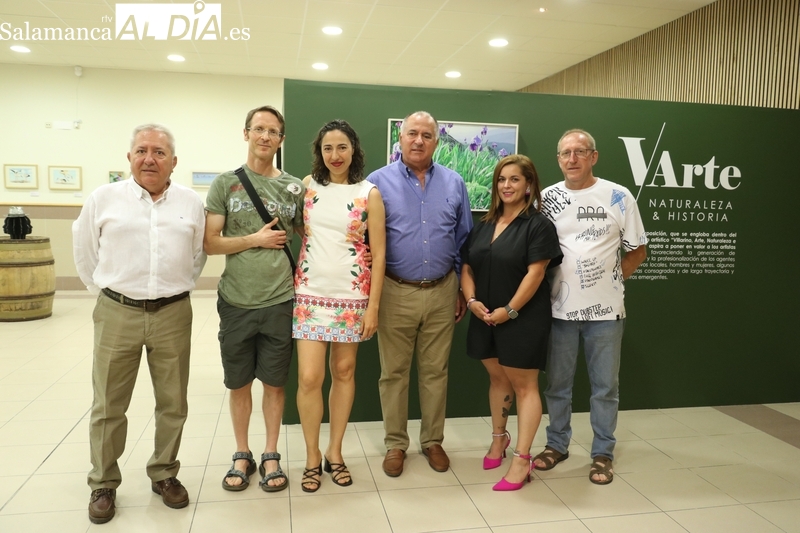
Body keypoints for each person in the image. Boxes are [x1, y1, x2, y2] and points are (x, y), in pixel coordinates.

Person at [73, 123, 206, 524]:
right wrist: (111, 295)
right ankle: (103, 482)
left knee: (173, 402)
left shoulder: (190, 202)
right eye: (142, 151)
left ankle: (164, 474)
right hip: (117, 312)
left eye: (160, 152)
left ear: (174, 162)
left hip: (173, 313)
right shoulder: (103, 199)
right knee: (109, 405)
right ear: (129, 157)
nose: (150, 158)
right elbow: (85, 255)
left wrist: (172, 288)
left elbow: (197, 256)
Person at [535, 128, 647, 485]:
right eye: (566, 153)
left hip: (606, 315)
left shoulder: (618, 196)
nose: (572, 159)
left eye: (580, 152)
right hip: (557, 312)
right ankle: (557, 445)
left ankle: (602, 453)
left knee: (605, 387)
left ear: (593, 156)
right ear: (558, 159)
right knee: (557, 385)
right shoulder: (546, 198)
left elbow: (638, 250)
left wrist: (610, 281)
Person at [204, 105, 305, 493]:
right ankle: (242, 453)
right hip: (236, 301)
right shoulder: (225, 184)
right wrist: (255, 239)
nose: (265, 137)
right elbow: (210, 243)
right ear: (246, 133)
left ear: (281, 140)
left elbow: (309, 234)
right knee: (239, 383)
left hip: (280, 301)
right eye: (258, 129)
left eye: (273, 131)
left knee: (275, 384)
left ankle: (270, 453)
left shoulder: (293, 187)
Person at [367, 111, 473, 477]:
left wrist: (460, 286)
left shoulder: (455, 182)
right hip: (396, 291)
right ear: (400, 137)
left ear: (436, 142)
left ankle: (432, 441)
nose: (418, 141)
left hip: (443, 291)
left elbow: (463, 240)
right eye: (412, 133)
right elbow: (365, 243)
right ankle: (396, 444)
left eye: (427, 135)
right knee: (393, 374)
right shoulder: (376, 183)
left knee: (435, 372)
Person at [292, 119, 386, 492]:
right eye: (328, 148)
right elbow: (299, 226)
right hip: (310, 295)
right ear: (320, 152)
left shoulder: (369, 193)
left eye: (342, 147)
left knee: (344, 373)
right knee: (309, 378)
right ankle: (312, 456)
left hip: (352, 298)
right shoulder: (307, 186)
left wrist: (373, 307)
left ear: (354, 150)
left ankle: (335, 453)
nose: (335, 155)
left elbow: (379, 255)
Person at [460, 154, 562, 491]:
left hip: (522, 319)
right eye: (502, 179)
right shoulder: (484, 223)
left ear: (529, 184)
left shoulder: (538, 225)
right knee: (497, 379)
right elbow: (467, 266)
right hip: (485, 316)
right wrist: (472, 301)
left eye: (515, 179)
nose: (507, 185)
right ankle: (498, 440)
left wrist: (510, 310)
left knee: (524, 386)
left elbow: (536, 274)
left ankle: (522, 459)